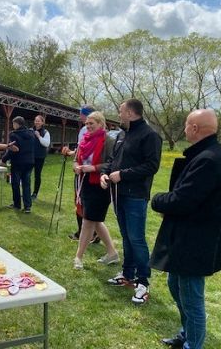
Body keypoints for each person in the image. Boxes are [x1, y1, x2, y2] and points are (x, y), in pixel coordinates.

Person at [150, 109, 221, 349]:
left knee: (192, 297)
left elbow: (182, 200)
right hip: (187, 236)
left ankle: (192, 344)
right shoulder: (207, 154)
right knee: (175, 285)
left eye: (187, 124)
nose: (184, 129)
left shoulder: (209, 158)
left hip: (196, 240)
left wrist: (157, 199)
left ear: (195, 129)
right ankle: (186, 333)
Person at [100, 98, 162, 304]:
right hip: (118, 194)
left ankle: (143, 281)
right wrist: (105, 173)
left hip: (136, 195)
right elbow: (112, 160)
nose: (118, 114)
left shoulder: (150, 135)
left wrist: (123, 175)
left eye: (120, 111)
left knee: (137, 238)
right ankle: (127, 275)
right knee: (126, 236)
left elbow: (152, 166)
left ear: (130, 113)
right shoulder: (121, 134)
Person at [72, 111, 120, 269]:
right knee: (96, 220)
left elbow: (113, 163)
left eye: (91, 123)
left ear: (101, 124)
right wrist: (76, 167)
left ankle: (78, 257)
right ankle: (112, 253)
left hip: (100, 184)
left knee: (88, 220)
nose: (88, 126)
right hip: (85, 183)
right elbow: (76, 159)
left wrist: (93, 168)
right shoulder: (84, 140)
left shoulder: (109, 141)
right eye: (86, 124)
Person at [61, 105, 99, 243]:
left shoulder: (84, 129)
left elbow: (81, 151)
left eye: (82, 114)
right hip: (86, 170)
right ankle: (91, 233)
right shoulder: (91, 130)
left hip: (84, 172)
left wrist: (72, 155)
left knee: (80, 201)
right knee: (86, 203)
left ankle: (84, 233)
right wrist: (72, 153)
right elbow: (80, 149)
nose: (81, 117)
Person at [2, 116, 35, 213]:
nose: (13, 125)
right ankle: (27, 206)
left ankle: (17, 204)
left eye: (13, 123)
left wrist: (4, 159)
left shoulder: (14, 135)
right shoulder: (31, 133)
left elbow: (12, 150)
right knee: (26, 184)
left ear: (17, 124)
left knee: (15, 184)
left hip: (18, 162)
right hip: (29, 162)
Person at [31, 115, 51, 200]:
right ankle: (26, 192)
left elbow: (46, 144)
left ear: (42, 122)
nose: (37, 122)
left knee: (37, 175)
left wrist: (39, 136)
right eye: (35, 120)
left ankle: (35, 193)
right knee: (26, 174)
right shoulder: (31, 130)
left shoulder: (45, 132)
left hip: (40, 157)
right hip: (30, 156)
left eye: (39, 121)